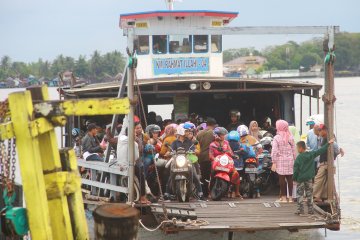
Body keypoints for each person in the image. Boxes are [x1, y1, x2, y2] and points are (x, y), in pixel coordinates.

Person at [293, 139, 335, 215]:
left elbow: (296, 170)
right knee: (309, 194)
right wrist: (328, 143)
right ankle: (310, 210)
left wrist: (294, 178)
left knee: (300, 194)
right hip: (309, 178)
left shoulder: (298, 158)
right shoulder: (311, 154)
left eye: (297, 148)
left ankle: (300, 210)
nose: (297, 149)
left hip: (300, 179)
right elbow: (320, 151)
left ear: (301, 148)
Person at [164, 126, 204, 200]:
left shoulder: (189, 141)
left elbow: (194, 149)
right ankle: (167, 193)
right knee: (171, 174)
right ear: (181, 132)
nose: (187, 133)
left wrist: (193, 151)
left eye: (187, 131)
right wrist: (168, 153)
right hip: (177, 160)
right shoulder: (175, 142)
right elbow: (170, 150)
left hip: (187, 160)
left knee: (194, 175)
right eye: (185, 131)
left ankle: (200, 192)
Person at [313, 124, 344, 202]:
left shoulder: (329, 137)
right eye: (318, 130)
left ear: (325, 130)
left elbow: (335, 147)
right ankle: (324, 196)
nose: (319, 132)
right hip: (324, 162)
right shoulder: (323, 138)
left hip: (326, 162)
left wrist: (339, 150)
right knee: (328, 180)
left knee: (319, 179)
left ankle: (315, 196)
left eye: (320, 130)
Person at [209, 127, 241, 198]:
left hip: (226, 162)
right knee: (212, 175)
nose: (224, 136)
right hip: (217, 162)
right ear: (217, 135)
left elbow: (230, 152)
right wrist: (215, 159)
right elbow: (211, 156)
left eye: (224, 135)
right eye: (222, 135)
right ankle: (210, 191)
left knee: (236, 174)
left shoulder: (226, 143)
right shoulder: (212, 144)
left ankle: (237, 192)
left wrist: (234, 156)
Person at [271, 120, 296, 203]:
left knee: (281, 179)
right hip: (290, 160)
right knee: (290, 179)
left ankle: (284, 197)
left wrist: (274, 161)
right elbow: (294, 150)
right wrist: (295, 159)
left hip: (280, 160)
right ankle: (291, 198)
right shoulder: (291, 137)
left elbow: (274, 151)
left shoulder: (277, 137)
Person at [196, 117, 216, 197]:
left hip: (201, 157)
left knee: (203, 176)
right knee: (210, 176)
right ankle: (210, 193)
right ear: (214, 125)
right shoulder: (213, 133)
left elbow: (196, 144)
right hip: (210, 157)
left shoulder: (199, 133)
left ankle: (203, 193)